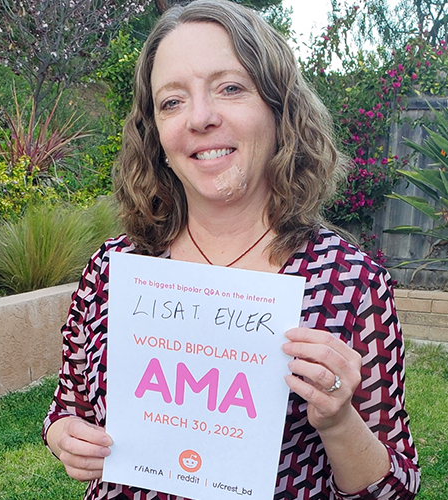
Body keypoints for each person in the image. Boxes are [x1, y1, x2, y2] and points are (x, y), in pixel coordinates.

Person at [42, 1, 419, 498]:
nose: (200, 117)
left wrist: (338, 420)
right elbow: (66, 408)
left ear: (279, 109)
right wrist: (65, 436)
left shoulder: (350, 281)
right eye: (171, 101)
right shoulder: (113, 270)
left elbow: (394, 489)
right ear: (154, 134)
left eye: (230, 88)